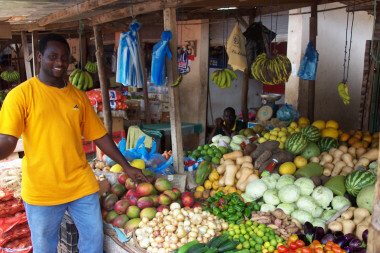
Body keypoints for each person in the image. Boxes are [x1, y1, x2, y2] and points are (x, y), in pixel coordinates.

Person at [0, 34, 147, 253]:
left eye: (64, 57)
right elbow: (8, 140)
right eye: (53, 56)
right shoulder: (20, 95)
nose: (60, 62)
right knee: (45, 248)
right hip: (42, 189)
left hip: (81, 185)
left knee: (93, 242)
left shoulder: (78, 97)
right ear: (40, 57)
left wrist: (126, 166)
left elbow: (100, 136)